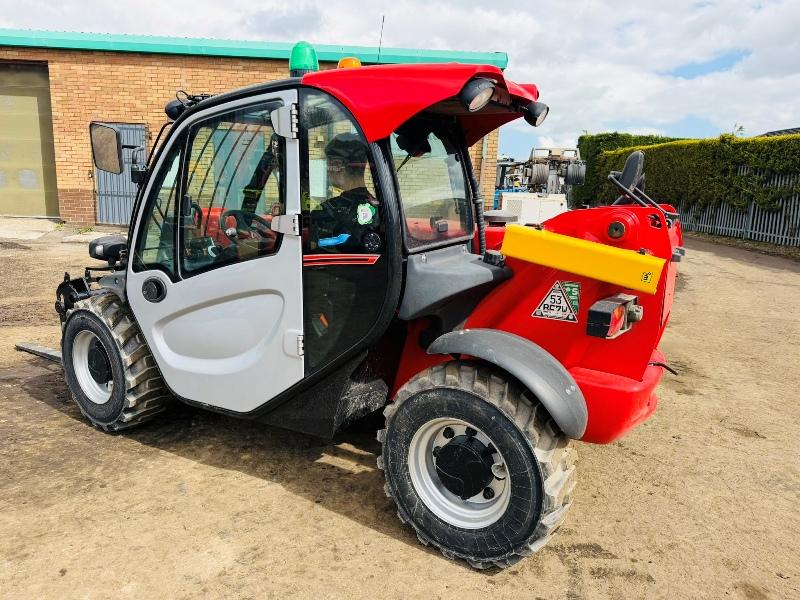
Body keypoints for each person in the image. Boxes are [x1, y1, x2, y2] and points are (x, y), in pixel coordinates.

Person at [311, 132, 382, 253]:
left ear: (337, 165)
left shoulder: (325, 212)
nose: (327, 171)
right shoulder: (379, 208)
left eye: (328, 164)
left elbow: (310, 248)